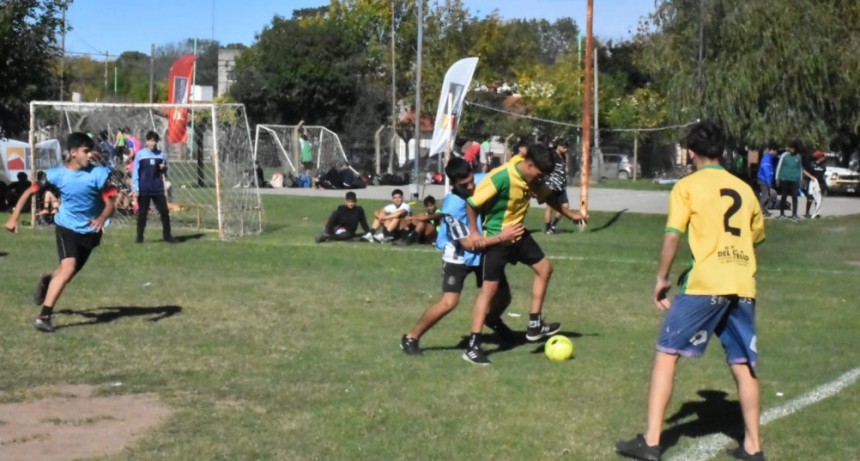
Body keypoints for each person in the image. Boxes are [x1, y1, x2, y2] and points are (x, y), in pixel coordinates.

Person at [615, 121, 766, 461]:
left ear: (692, 152)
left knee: (667, 353)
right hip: (743, 284)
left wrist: (662, 277)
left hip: (706, 284)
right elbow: (754, 236)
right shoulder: (744, 189)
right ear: (722, 150)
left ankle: (652, 442)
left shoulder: (688, 186)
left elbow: (672, 234)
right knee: (743, 364)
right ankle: (754, 448)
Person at [462, 143, 587, 365]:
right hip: (498, 238)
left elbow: (547, 196)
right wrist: (474, 233)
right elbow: (471, 203)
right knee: (489, 291)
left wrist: (569, 213)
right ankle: (473, 346)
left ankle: (534, 325)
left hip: (518, 235)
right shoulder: (502, 177)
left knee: (545, 268)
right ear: (529, 165)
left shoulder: (532, 178)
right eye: (539, 174)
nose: (540, 179)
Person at [401, 157, 524, 355]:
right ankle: (410, 337)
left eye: (471, 180)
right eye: (464, 184)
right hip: (458, 257)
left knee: (504, 296)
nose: (470, 186)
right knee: (449, 302)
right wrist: (503, 237)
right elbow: (468, 243)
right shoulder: (452, 207)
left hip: (483, 253)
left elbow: (507, 171)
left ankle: (491, 319)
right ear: (453, 183)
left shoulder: (482, 180)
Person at [5, 132, 117, 333]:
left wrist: (101, 218)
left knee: (68, 272)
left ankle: (47, 280)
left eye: (90, 150)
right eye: (86, 151)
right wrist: (13, 218)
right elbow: (30, 191)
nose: (90, 155)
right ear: (73, 153)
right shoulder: (56, 174)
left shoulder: (99, 174)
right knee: (67, 269)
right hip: (66, 227)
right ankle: (44, 316)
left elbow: (110, 202)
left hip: (91, 230)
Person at [133, 131, 176, 243]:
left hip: (157, 188)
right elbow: (135, 172)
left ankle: (167, 236)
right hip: (144, 188)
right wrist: (136, 188)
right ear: (147, 141)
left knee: (164, 212)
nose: (153, 143)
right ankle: (139, 237)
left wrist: (163, 168)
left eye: (155, 141)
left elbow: (165, 171)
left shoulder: (161, 155)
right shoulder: (140, 154)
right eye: (151, 141)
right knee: (142, 213)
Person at [543, 140, 572, 234]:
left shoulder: (563, 156)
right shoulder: (552, 154)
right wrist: (547, 182)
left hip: (561, 186)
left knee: (565, 207)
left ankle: (553, 225)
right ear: (558, 146)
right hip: (552, 186)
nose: (566, 149)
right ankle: (547, 228)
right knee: (550, 208)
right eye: (564, 147)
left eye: (567, 147)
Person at [774, 140, 803, 220]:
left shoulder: (798, 157)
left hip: (795, 180)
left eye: (793, 148)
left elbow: (800, 169)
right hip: (785, 179)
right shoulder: (784, 155)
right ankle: (782, 214)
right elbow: (779, 166)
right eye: (790, 148)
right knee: (784, 196)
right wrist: (777, 178)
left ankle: (794, 214)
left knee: (795, 197)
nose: (791, 150)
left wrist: (801, 179)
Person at [756, 142, 778, 217]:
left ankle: (765, 211)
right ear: (772, 150)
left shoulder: (770, 158)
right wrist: (769, 181)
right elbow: (766, 171)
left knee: (768, 196)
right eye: (776, 151)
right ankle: (759, 211)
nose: (776, 153)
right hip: (763, 179)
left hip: (766, 180)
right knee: (765, 196)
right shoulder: (767, 158)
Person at [803, 150, 827, 218]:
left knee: (818, 198)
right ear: (819, 157)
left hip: (820, 182)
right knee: (810, 198)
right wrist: (811, 177)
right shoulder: (811, 164)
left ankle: (817, 213)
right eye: (822, 157)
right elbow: (804, 171)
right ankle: (807, 212)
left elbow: (823, 173)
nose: (824, 158)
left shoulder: (823, 165)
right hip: (812, 182)